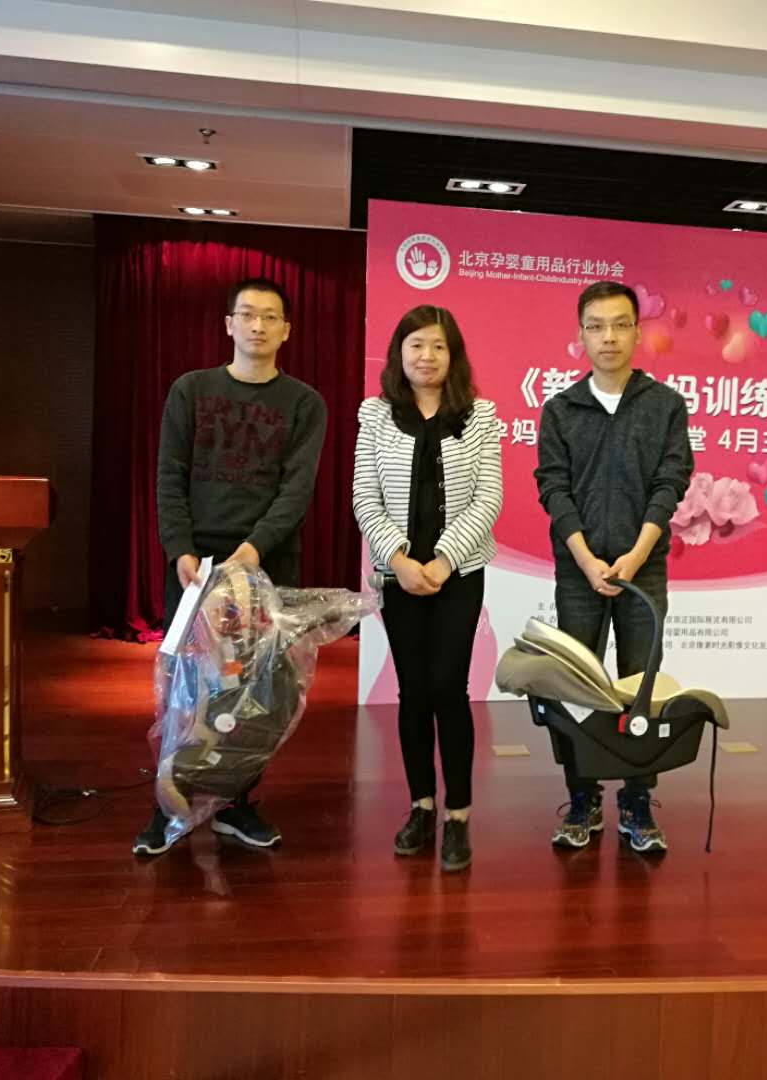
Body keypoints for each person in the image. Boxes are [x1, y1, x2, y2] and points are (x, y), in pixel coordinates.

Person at [132, 276, 327, 856]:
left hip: (267, 562)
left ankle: (235, 802)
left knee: (257, 690)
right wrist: (181, 549)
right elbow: (169, 475)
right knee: (186, 688)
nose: (258, 326)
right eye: (247, 315)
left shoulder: (304, 403)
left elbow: (296, 489)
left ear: (286, 330)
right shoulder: (191, 390)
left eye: (270, 317)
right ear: (228, 325)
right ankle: (167, 803)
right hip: (196, 563)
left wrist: (255, 550)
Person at [534, 281, 693, 854]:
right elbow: (553, 489)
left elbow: (670, 482)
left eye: (620, 324)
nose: (608, 337)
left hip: (641, 569)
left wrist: (636, 554)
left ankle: (636, 800)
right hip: (579, 571)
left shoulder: (664, 405)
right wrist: (585, 557)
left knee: (639, 687)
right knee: (577, 685)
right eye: (596, 326)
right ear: (580, 335)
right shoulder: (561, 410)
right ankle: (581, 798)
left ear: (637, 331)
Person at [353, 305, 502, 872]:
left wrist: (441, 562)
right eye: (416, 344)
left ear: (453, 354)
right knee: (412, 690)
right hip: (399, 576)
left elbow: (488, 499)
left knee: (447, 688)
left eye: (438, 346)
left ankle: (458, 813)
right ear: (400, 352)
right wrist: (399, 559)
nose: (427, 356)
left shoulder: (479, 415)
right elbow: (364, 496)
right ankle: (421, 806)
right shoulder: (375, 415)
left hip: (457, 576)